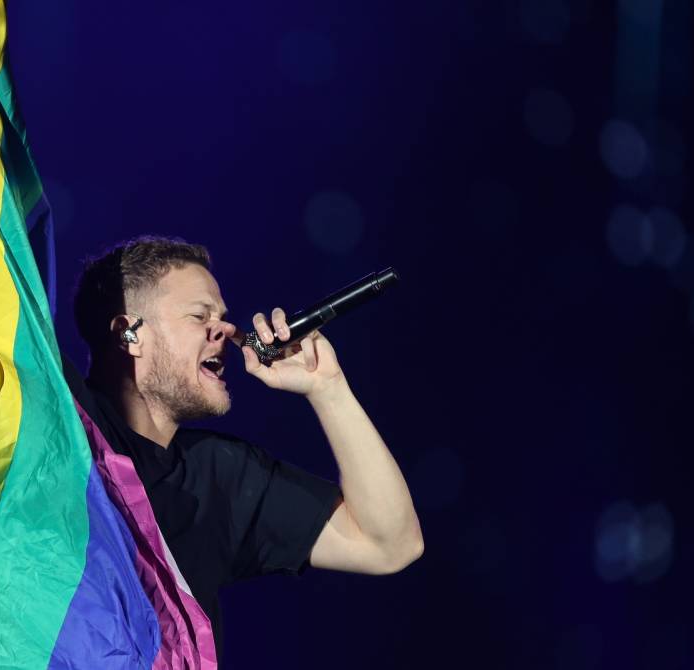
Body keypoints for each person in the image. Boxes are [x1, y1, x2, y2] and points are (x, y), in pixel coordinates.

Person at [61, 235, 424, 663]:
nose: (227, 329)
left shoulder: (220, 475)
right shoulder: (57, 418)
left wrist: (329, 389)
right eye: (200, 315)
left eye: (223, 316)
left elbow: (390, 544)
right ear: (130, 335)